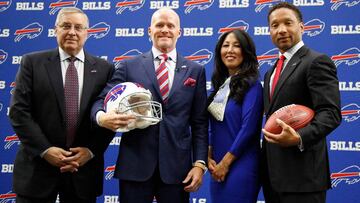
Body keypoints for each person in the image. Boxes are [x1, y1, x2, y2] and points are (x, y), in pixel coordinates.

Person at [91, 7, 208, 203]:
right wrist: (102, 117)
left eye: (170, 25)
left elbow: (200, 123)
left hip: (176, 169)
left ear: (180, 32)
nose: (165, 29)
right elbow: (100, 101)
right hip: (135, 166)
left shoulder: (195, 71)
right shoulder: (128, 66)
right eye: (159, 25)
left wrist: (199, 163)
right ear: (149, 31)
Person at [9, 7, 115, 203]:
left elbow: (109, 119)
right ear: (55, 29)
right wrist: (46, 150)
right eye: (66, 26)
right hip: (37, 171)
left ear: (87, 33)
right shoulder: (32, 63)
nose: (72, 32)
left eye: (78, 27)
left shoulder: (105, 69)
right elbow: (19, 112)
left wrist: (90, 151)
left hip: (83, 172)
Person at [261, 2, 342, 203]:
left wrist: (298, 137)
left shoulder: (316, 61)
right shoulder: (270, 72)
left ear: (302, 27)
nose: (281, 30)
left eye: (288, 23)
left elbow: (330, 113)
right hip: (274, 178)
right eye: (274, 25)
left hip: (304, 179)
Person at [207, 30, 263, 203]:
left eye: (237, 46)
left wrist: (226, 163)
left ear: (246, 52)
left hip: (241, 165)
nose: (230, 50)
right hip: (216, 166)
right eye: (225, 45)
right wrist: (208, 155)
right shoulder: (219, 86)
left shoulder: (253, 85)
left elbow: (249, 128)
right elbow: (212, 124)